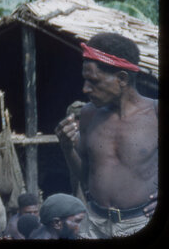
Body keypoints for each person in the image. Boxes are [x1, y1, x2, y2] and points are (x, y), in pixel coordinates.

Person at [55, 32, 157, 238]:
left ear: (121, 79)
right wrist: (67, 147)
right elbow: (84, 177)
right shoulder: (88, 114)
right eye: (85, 80)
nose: (85, 89)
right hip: (93, 224)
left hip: (139, 223)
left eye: (94, 81)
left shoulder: (155, 113)